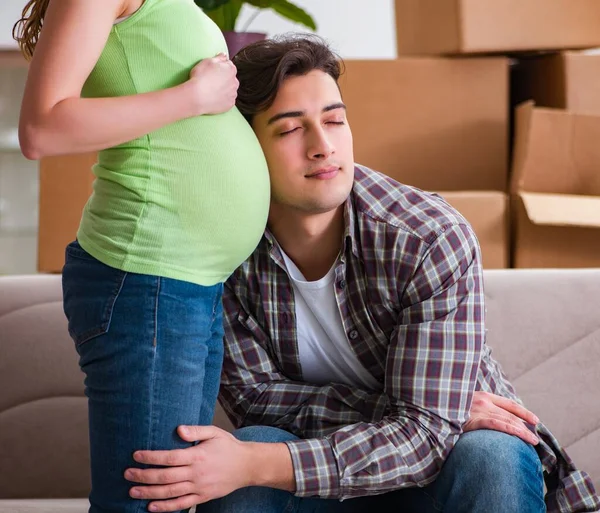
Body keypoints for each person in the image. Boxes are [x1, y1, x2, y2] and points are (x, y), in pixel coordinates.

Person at [124, 36, 600, 513]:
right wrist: (411, 414)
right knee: (249, 453)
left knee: (488, 452)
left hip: (445, 470)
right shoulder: (218, 252)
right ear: (242, 149)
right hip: (325, 479)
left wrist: (429, 421)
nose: (323, 146)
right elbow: (256, 400)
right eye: (291, 130)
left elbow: (428, 437)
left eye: (334, 120)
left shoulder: (428, 238)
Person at [13, 1, 270, 512]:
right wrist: (194, 95)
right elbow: (41, 128)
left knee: (170, 497)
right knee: (147, 502)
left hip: (183, 282)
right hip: (148, 275)